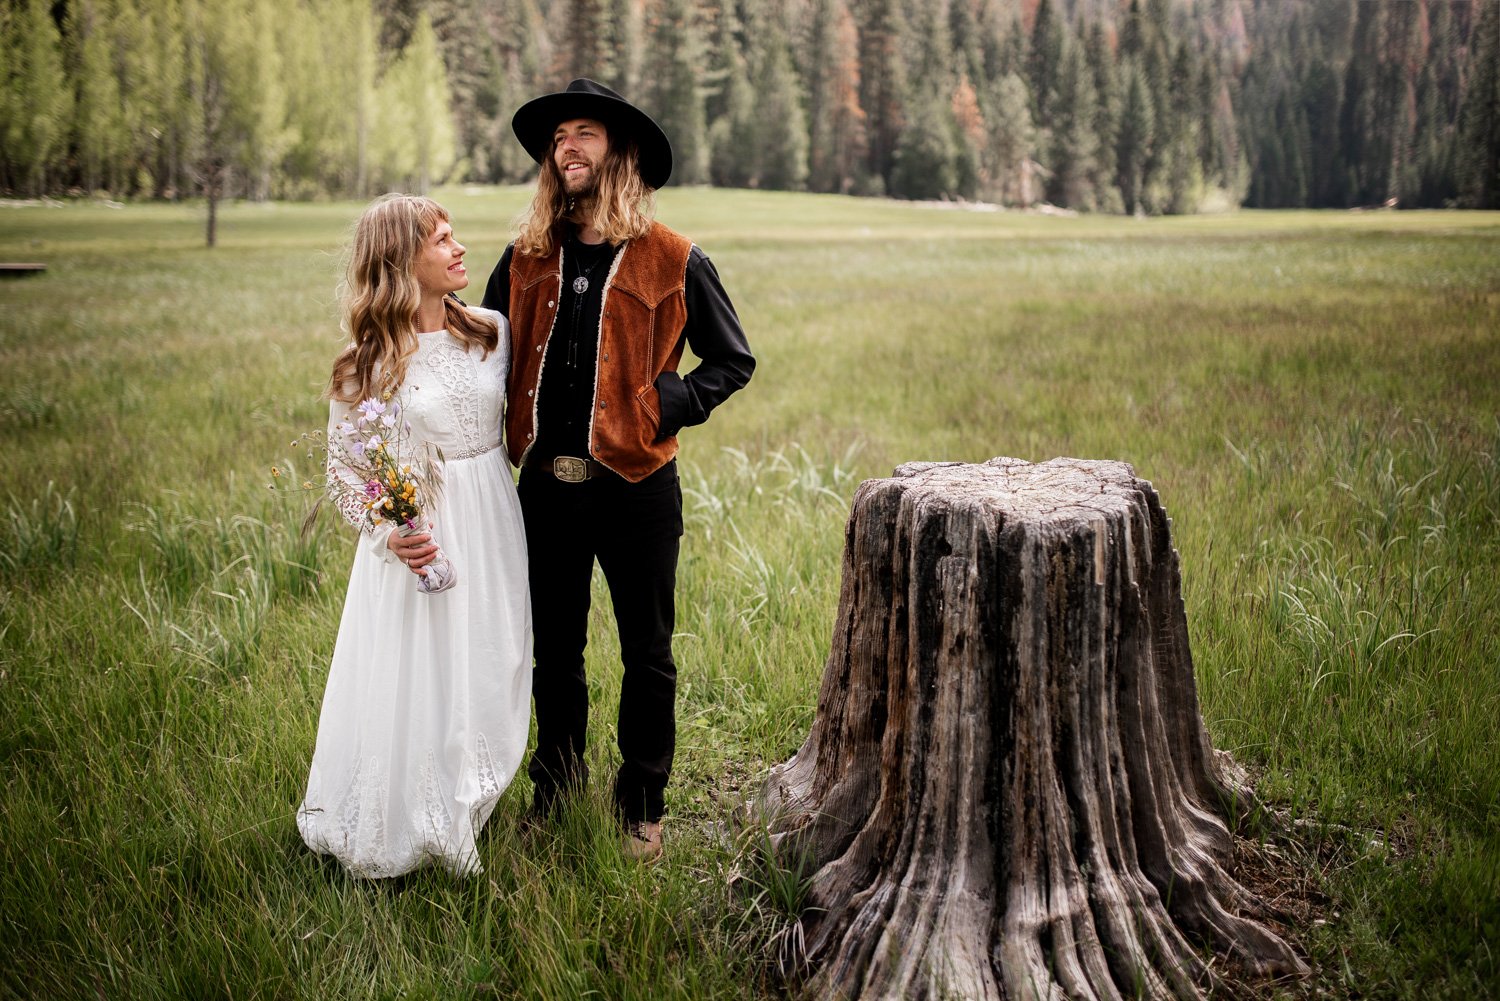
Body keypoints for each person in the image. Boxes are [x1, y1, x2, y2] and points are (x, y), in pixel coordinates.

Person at [481, 79, 754, 860]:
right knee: (555, 653)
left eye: (585, 133)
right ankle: (555, 791)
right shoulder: (527, 258)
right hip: (543, 490)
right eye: (559, 136)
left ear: (620, 152)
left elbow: (733, 360)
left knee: (648, 652)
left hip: (637, 489)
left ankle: (642, 804)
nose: (567, 146)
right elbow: (489, 355)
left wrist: (667, 404)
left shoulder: (674, 258)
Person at [296, 194, 532, 878]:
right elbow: (344, 470)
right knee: (425, 670)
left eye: (455, 235)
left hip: (492, 515)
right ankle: (423, 813)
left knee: (495, 657)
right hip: (421, 532)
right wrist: (389, 528)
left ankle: (475, 789)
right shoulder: (361, 364)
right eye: (442, 239)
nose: (459, 248)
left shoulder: (490, 330)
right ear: (402, 261)